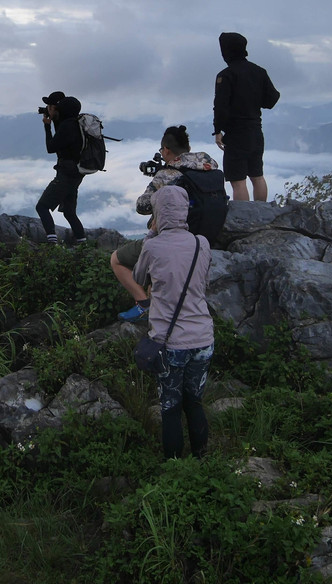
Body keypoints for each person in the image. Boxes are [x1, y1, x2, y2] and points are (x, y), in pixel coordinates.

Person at [132, 183, 214, 460]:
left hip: (170, 343)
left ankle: (174, 468)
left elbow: (138, 278)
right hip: (203, 338)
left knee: (170, 405)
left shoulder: (152, 247)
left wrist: (151, 234)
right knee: (194, 402)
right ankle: (202, 459)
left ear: (158, 213)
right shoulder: (201, 243)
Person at [112, 125, 218, 321]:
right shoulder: (207, 163)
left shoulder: (166, 174)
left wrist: (160, 184)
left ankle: (143, 304)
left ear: (166, 150)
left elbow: (142, 206)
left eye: (162, 150)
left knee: (116, 260)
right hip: (204, 235)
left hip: (171, 237)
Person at [212, 31, 280, 202]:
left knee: (238, 181)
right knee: (257, 176)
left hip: (236, 135)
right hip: (256, 131)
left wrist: (217, 130)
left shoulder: (225, 75)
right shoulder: (259, 72)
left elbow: (220, 106)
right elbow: (272, 99)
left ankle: (245, 221)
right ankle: (262, 214)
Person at [35, 91, 86, 245]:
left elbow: (51, 147)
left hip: (66, 174)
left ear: (57, 109)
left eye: (50, 106)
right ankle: (83, 244)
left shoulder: (67, 127)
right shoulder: (73, 123)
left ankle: (52, 243)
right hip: (76, 173)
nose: (48, 109)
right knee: (69, 213)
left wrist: (47, 126)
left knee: (42, 207)